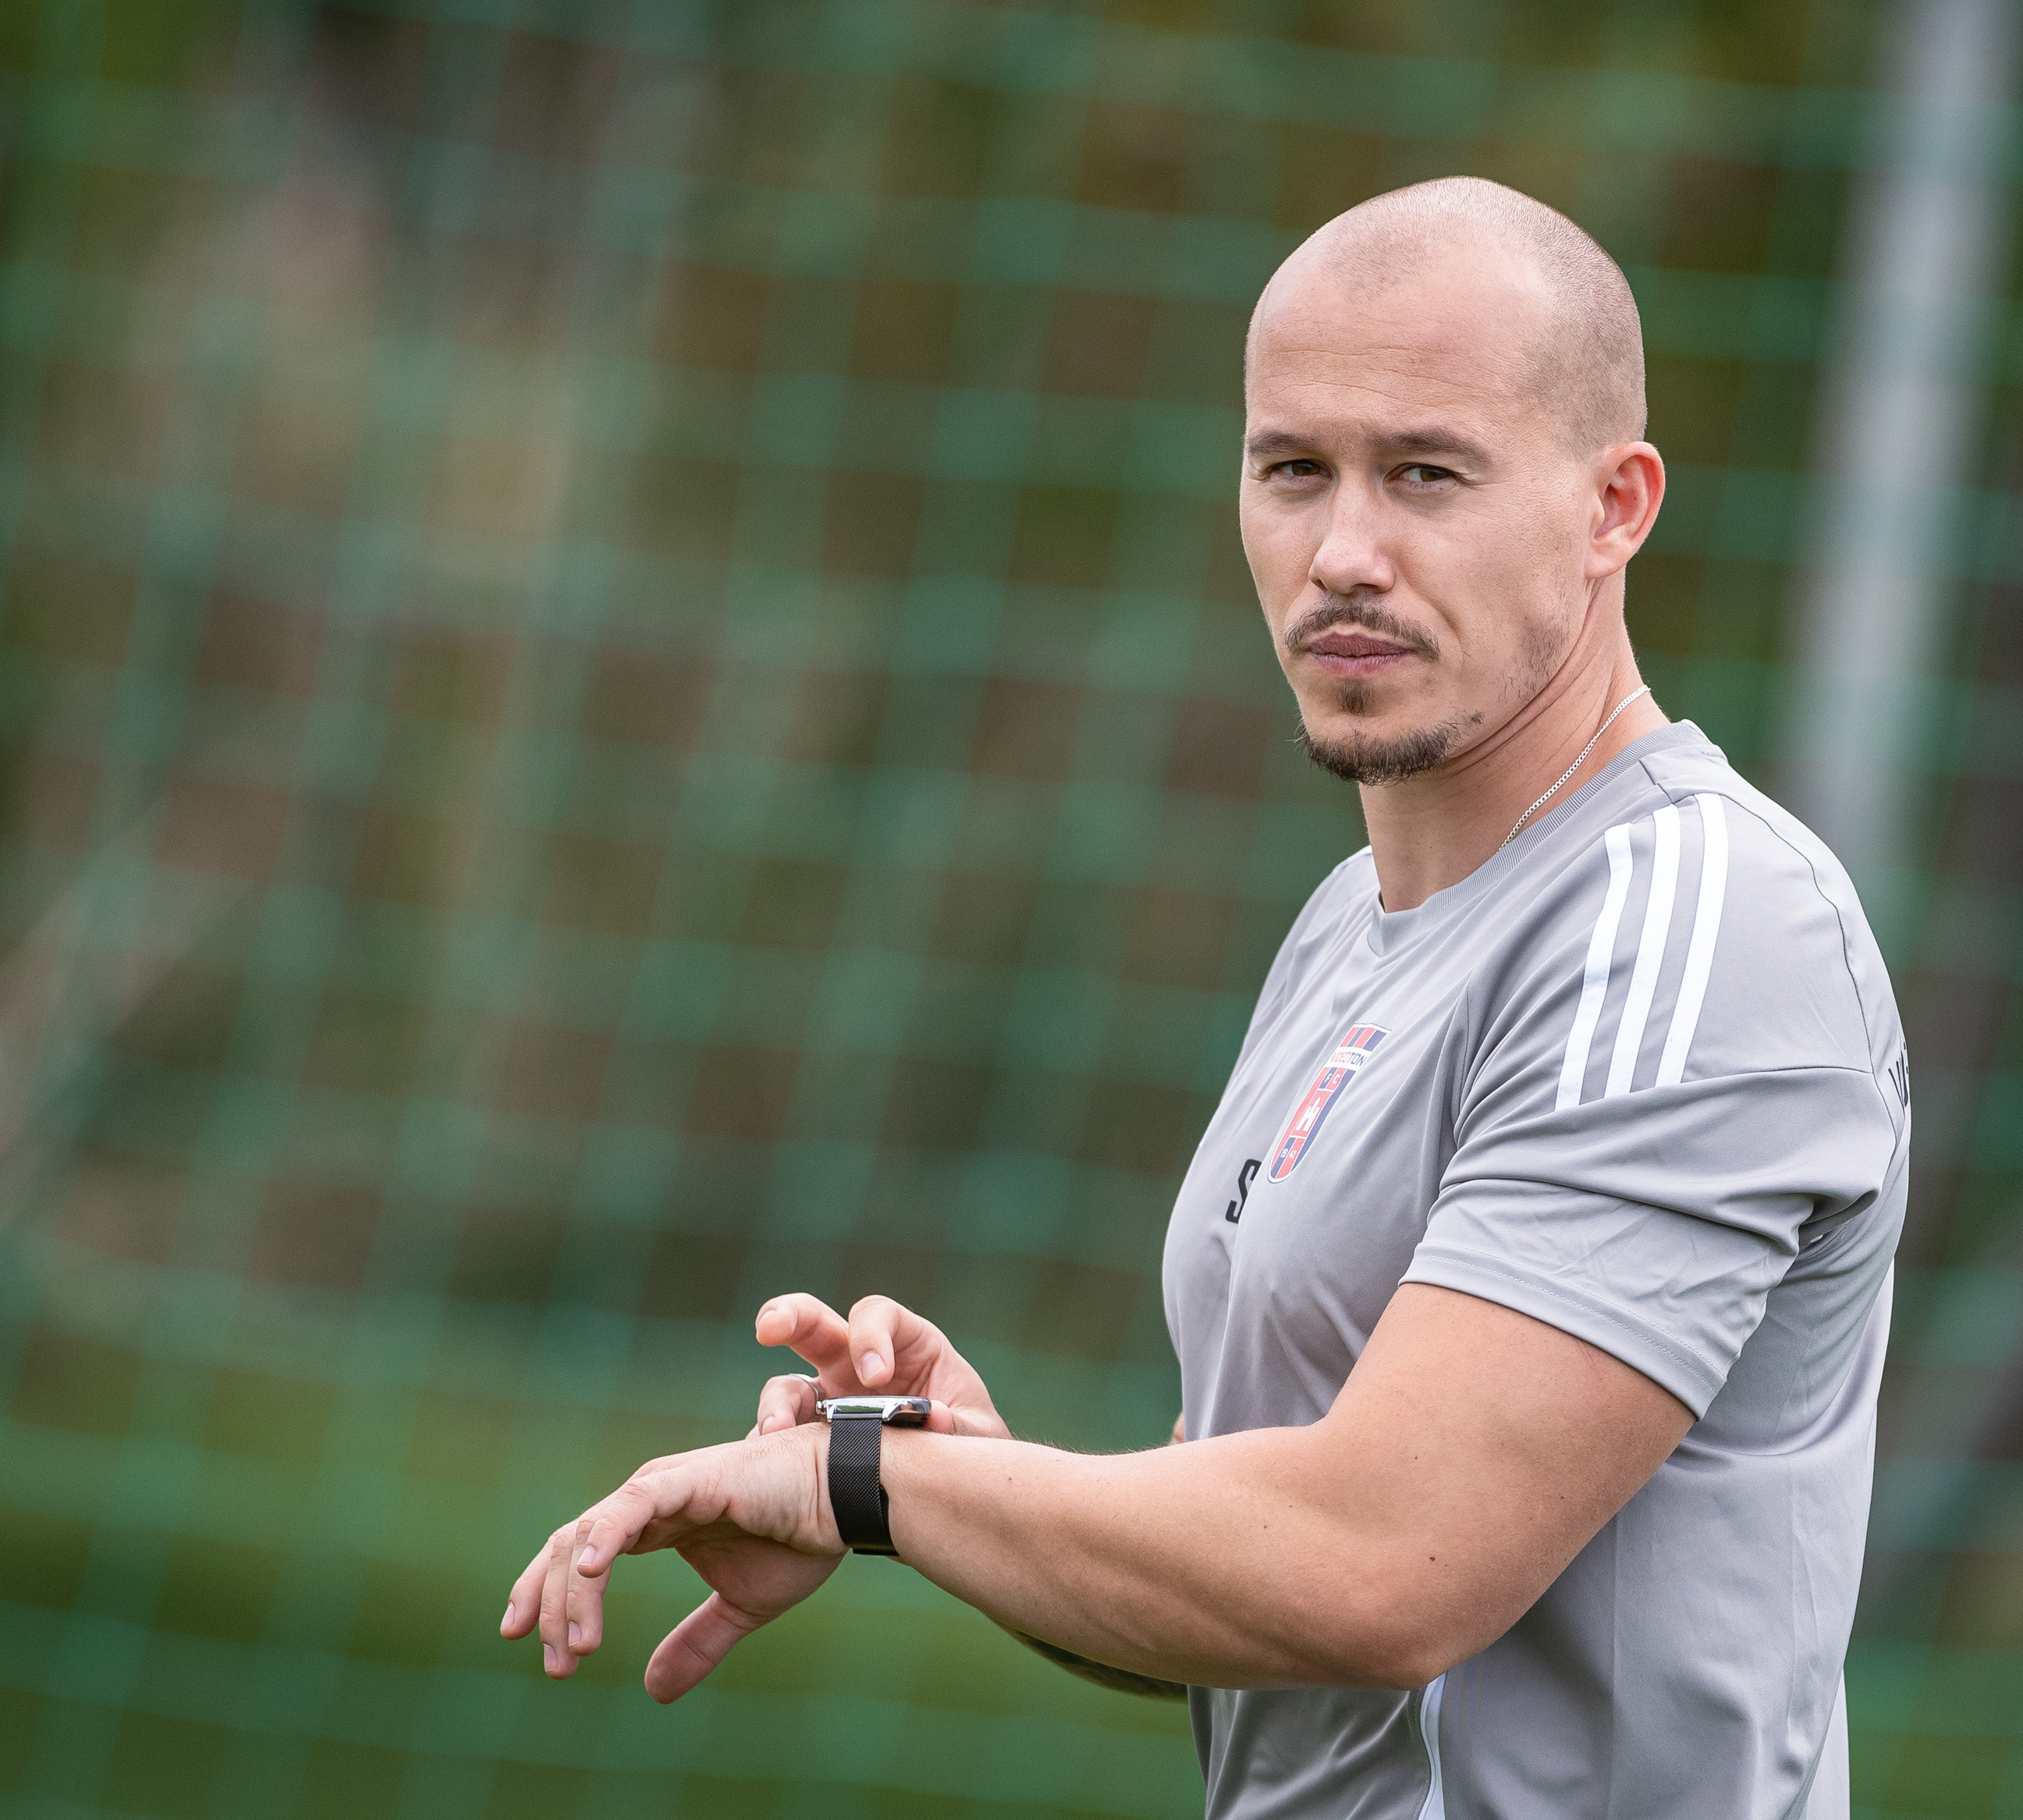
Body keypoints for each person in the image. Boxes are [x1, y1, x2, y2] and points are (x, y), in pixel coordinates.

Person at [500, 175, 1910, 1819]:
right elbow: (1257, 1580)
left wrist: (862, 1482)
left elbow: (1384, 1569)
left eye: (1426, 473)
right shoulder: (1345, 928)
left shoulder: (1692, 927)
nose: (1345, 555)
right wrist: (973, 1479)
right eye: (1293, 469)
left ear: (1614, 507)